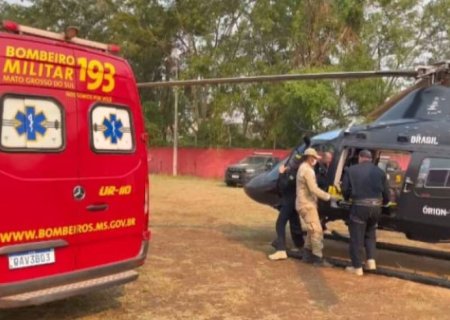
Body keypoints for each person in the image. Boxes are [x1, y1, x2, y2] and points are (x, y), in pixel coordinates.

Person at [341, 149, 390, 276]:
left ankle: (357, 267)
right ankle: (371, 261)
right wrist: (383, 203)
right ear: (370, 159)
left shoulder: (350, 170)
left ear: (360, 157)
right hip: (376, 209)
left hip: (360, 207)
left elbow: (345, 190)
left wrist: (347, 198)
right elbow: (387, 194)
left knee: (357, 237)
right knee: (370, 234)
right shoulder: (380, 172)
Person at [296, 148, 336, 267]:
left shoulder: (303, 167)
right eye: (314, 158)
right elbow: (313, 189)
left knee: (311, 230)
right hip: (306, 204)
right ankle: (318, 258)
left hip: (305, 203)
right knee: (317, 231)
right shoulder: (308, 170)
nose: (316, 161)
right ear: (309, 157)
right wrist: (328, 197)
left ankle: (307, 255)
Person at [268, 146, 305, 260]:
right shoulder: (300, 171)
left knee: (280, 224)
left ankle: (281, 250)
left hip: (288, 201)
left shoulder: (293, 173)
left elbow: (283, 186)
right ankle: (300, 246)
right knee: (295, 224)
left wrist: (281, 173)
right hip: (294, 201)